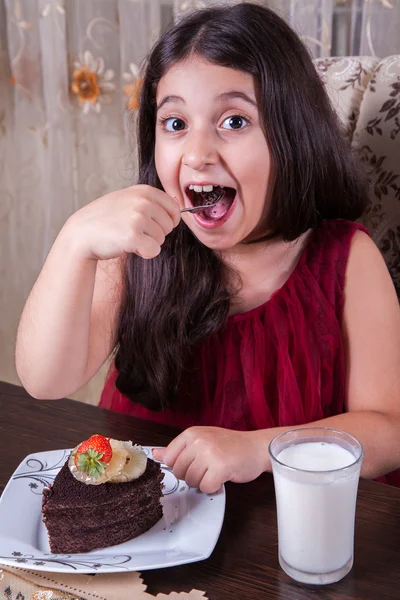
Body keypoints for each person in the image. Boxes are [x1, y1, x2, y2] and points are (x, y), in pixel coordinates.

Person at [16, 3, 400, 492]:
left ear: (293, 136)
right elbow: (44, 381)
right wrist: (74, 243)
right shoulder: (141, 250)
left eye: (234, 122)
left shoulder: (345, 260)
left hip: (288, 528)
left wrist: (258, 448)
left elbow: (389, 430)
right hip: (152, 519)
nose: (197, 154)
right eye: (175, 124)